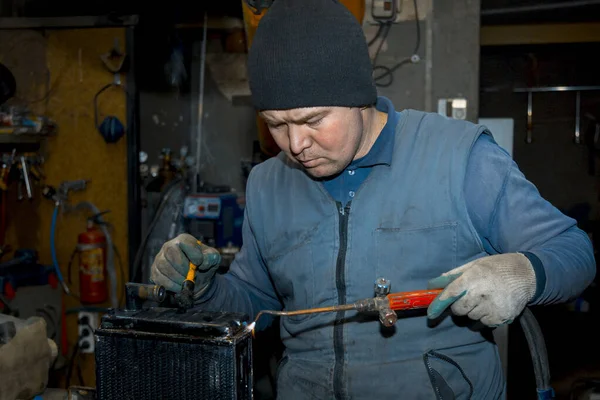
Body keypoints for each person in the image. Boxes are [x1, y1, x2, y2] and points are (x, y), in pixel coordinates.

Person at [150, 0, 596, 398]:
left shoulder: (458, 158)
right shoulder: (269, 184)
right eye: (275, 124)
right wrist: (202, 289)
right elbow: (256, 302)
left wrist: (524, 273)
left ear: (360, 97)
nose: (295, 143)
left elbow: (575, 252)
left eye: (312, 120)